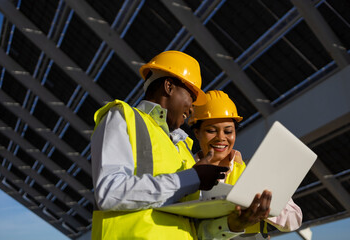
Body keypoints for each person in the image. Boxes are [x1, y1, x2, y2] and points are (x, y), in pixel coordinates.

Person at [91, 51, 263, 239]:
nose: (191, 109)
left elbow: (192, 230)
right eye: (191, 96)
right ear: (169, 86)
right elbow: (109, 192)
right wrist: (191, 178)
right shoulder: (123, 117)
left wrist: (232, 225)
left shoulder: (183, 150)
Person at [189, 90, 303, 239]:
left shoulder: (253, 173)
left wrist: (263, 207)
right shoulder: (186, 172)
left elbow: (295, 219)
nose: (221, 138)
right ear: (197, 133)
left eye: (228, 131)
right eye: (211, 130)